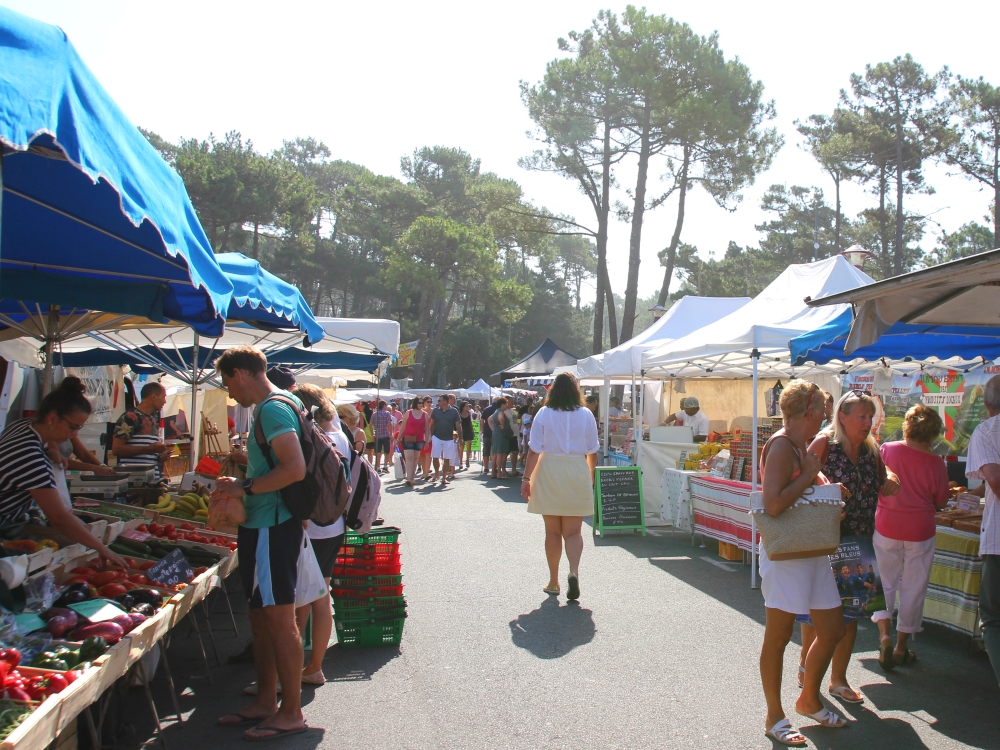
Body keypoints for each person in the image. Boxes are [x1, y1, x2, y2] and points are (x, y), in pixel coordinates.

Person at [213, 346, 312, 740]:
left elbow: (295, 468)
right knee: (261, 616)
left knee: (279, 620)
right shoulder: (275, 406)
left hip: (274, 524)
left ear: (239, 373)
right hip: (262, 525)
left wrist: (245, 486)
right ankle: (267, 701)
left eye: (226, 382)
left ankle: (290, 712)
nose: (229, 391)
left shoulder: (272, 408)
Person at [757, 380, 848, 746]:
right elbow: (774, 504)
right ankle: (774, 716)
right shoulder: (781, 446)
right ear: (808, 412)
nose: (825, 422)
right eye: (823, 415)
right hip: (787, 556)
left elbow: (801, 494)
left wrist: (827, 491)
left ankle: (808, 699)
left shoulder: (798, 445)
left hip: (809, 552)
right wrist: (812, 476)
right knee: (778, 637)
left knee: (832, 628)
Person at [795, 390, 899, 700]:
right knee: (817, 614)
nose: (868, 422)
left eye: (870, 416)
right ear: (843, 416)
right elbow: (798, 477)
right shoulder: (825, 443)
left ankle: (838, 680)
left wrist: (892, 477)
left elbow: (885, 473)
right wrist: (823, 489)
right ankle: (806, 665)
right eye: (862, 416)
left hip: (859, 542)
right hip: (825, 541)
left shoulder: (870, 449)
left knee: (851, 614)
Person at [0, 377, 127, 565]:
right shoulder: (31, 458)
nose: (75, 434)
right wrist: (100, 547)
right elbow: (59, 517)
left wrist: (50, 450)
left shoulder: (21, 426)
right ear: (52, 419)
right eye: (73, 427)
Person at [519, 373, 598, 601]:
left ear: (552, 390)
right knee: (573, 531)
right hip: (576, 468)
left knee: (552, 531)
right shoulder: (586, 414)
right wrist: (590, 474)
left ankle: (553, 581)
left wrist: (526, 478)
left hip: (549, 469)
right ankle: (573, 571)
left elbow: (534, 449)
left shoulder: (544, 413)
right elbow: (592, 449)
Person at [290, 384, 347, 686]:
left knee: (298, 602)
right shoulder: (342, 436)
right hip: (335, 526)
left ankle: (290, 670)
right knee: (320, 597)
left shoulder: (309, 436)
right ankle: (314, 666)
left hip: (310, 526)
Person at [966, 373, 1000, 687]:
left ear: (988, 405)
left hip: (999, 540)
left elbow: (996, 481)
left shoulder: (988, 430)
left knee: (993, 617)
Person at [111, 382, 173, 473]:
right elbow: (117, 449)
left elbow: (148, 453)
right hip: (133, 479)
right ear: (153, 397)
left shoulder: (153, 420)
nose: (165, 401)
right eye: (163, 397)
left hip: (151, 479)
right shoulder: (130, 417)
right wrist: (150, 449)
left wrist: (159, 456)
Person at [428, 395, 461, 485]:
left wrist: (461, 438)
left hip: (448, 438)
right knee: (435, 456)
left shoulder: (454, 411)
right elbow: (432, 424)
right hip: (437, 436)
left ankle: (444, 477)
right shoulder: (435, 411)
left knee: (447, 458)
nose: (438, 402)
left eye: (439, 400)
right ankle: (437, 474)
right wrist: (431, 436)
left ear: (446, 401)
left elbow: (458, 425)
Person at [50, 435, 116, 476]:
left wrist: (103, 467)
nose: (75, 433)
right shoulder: (48, 435)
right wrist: (94, 468)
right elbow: (61, 461)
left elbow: (84, 455)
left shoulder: (71, 433)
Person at [399, 398, 428, 487]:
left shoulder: (425, 414)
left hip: (419, 439)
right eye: (419, 402)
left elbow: (427, 429)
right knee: (409, 457)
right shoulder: (408, 412)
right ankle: (409, 478)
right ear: (415, 403)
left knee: (416, 458)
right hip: (408, 438)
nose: (421, 404)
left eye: (422, 403)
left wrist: (427, 440)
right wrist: (398, 438)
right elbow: (403, 427)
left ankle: (411, 478)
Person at [489, 398, 511, 479]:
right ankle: (499, 473)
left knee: (495, 453)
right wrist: (502, 425)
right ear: (502, 404)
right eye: (506, 404)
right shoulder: (501, 412)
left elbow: (489, 419)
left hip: (495, 433)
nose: (507, 405)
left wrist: (493, 428)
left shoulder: (495, 411)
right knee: (500, 453)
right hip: (501, 434)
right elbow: (501, 418)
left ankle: (493, 472)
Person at [370, 400, 393, 474]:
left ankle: (378, 467)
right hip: (385, 434)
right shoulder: (387, 413)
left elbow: (370, 425)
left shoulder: (374, 414)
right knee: (387, 451)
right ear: (384, 405)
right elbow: (389, 424)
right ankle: (385, 466)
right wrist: (390, 433)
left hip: (377, 435)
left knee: (378, 452)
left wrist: (372, 434)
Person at [480, 398, 498, 475]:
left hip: (487, 432)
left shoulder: (486, 409)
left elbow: (481, 420)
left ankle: (486, 467)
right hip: (496, 432)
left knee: (486, 450)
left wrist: (483, 429)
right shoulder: (498, 410)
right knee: (495, 451)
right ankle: (495, 467)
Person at [458, 401, 475, 470]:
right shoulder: (459, 414)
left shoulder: (469, 413)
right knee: (461, 446)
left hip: (468, 430)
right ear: (463, 407)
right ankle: (461, 461)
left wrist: (472, 430)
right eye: (466, 406)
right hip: (462, 431)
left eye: (468, 406)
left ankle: (467, 460)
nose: (468, 407)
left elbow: (470, 422)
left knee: (469, 445)